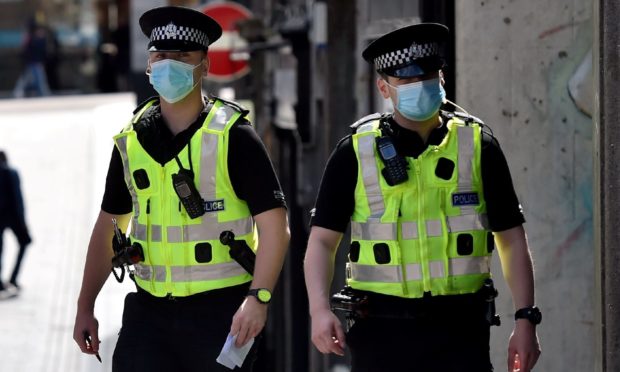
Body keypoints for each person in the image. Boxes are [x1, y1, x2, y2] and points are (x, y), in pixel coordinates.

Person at [304, 23, 542, 372]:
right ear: (383, 87)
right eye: (406, 80)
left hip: (461, 330)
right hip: (380, 330)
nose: (420, 86)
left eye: (428, 76)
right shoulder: (354, 152)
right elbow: (322, 241)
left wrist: (526, 319)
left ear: (442, 80)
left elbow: (511, 238)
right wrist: (319, 310)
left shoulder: (478, 146)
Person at [72, 6, 290, 372]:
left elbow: (276, 228)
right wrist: (85, 306)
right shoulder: (131, 140)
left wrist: (259, 298)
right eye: (160, 55)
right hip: (149, 312)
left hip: (220, 314)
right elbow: (109, 226)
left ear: (204, 65)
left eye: (182, 56)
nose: (168, 64)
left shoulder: (235, 137)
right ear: (148, 64)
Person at [0, 150, 32, 300]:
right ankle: (13, 277)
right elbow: (18, 200)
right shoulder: (11, 173)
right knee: (25, 242)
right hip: (13, 217)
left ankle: (2, 282)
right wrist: (23, 222)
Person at [13, 17, 52, 98]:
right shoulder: (33, 39)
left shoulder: (35, 39)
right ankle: (43, 93)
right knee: (37, 79)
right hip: (34, 61)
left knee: (29, 78)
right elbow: (28, 51)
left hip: (35, 62)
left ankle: (19, 91)